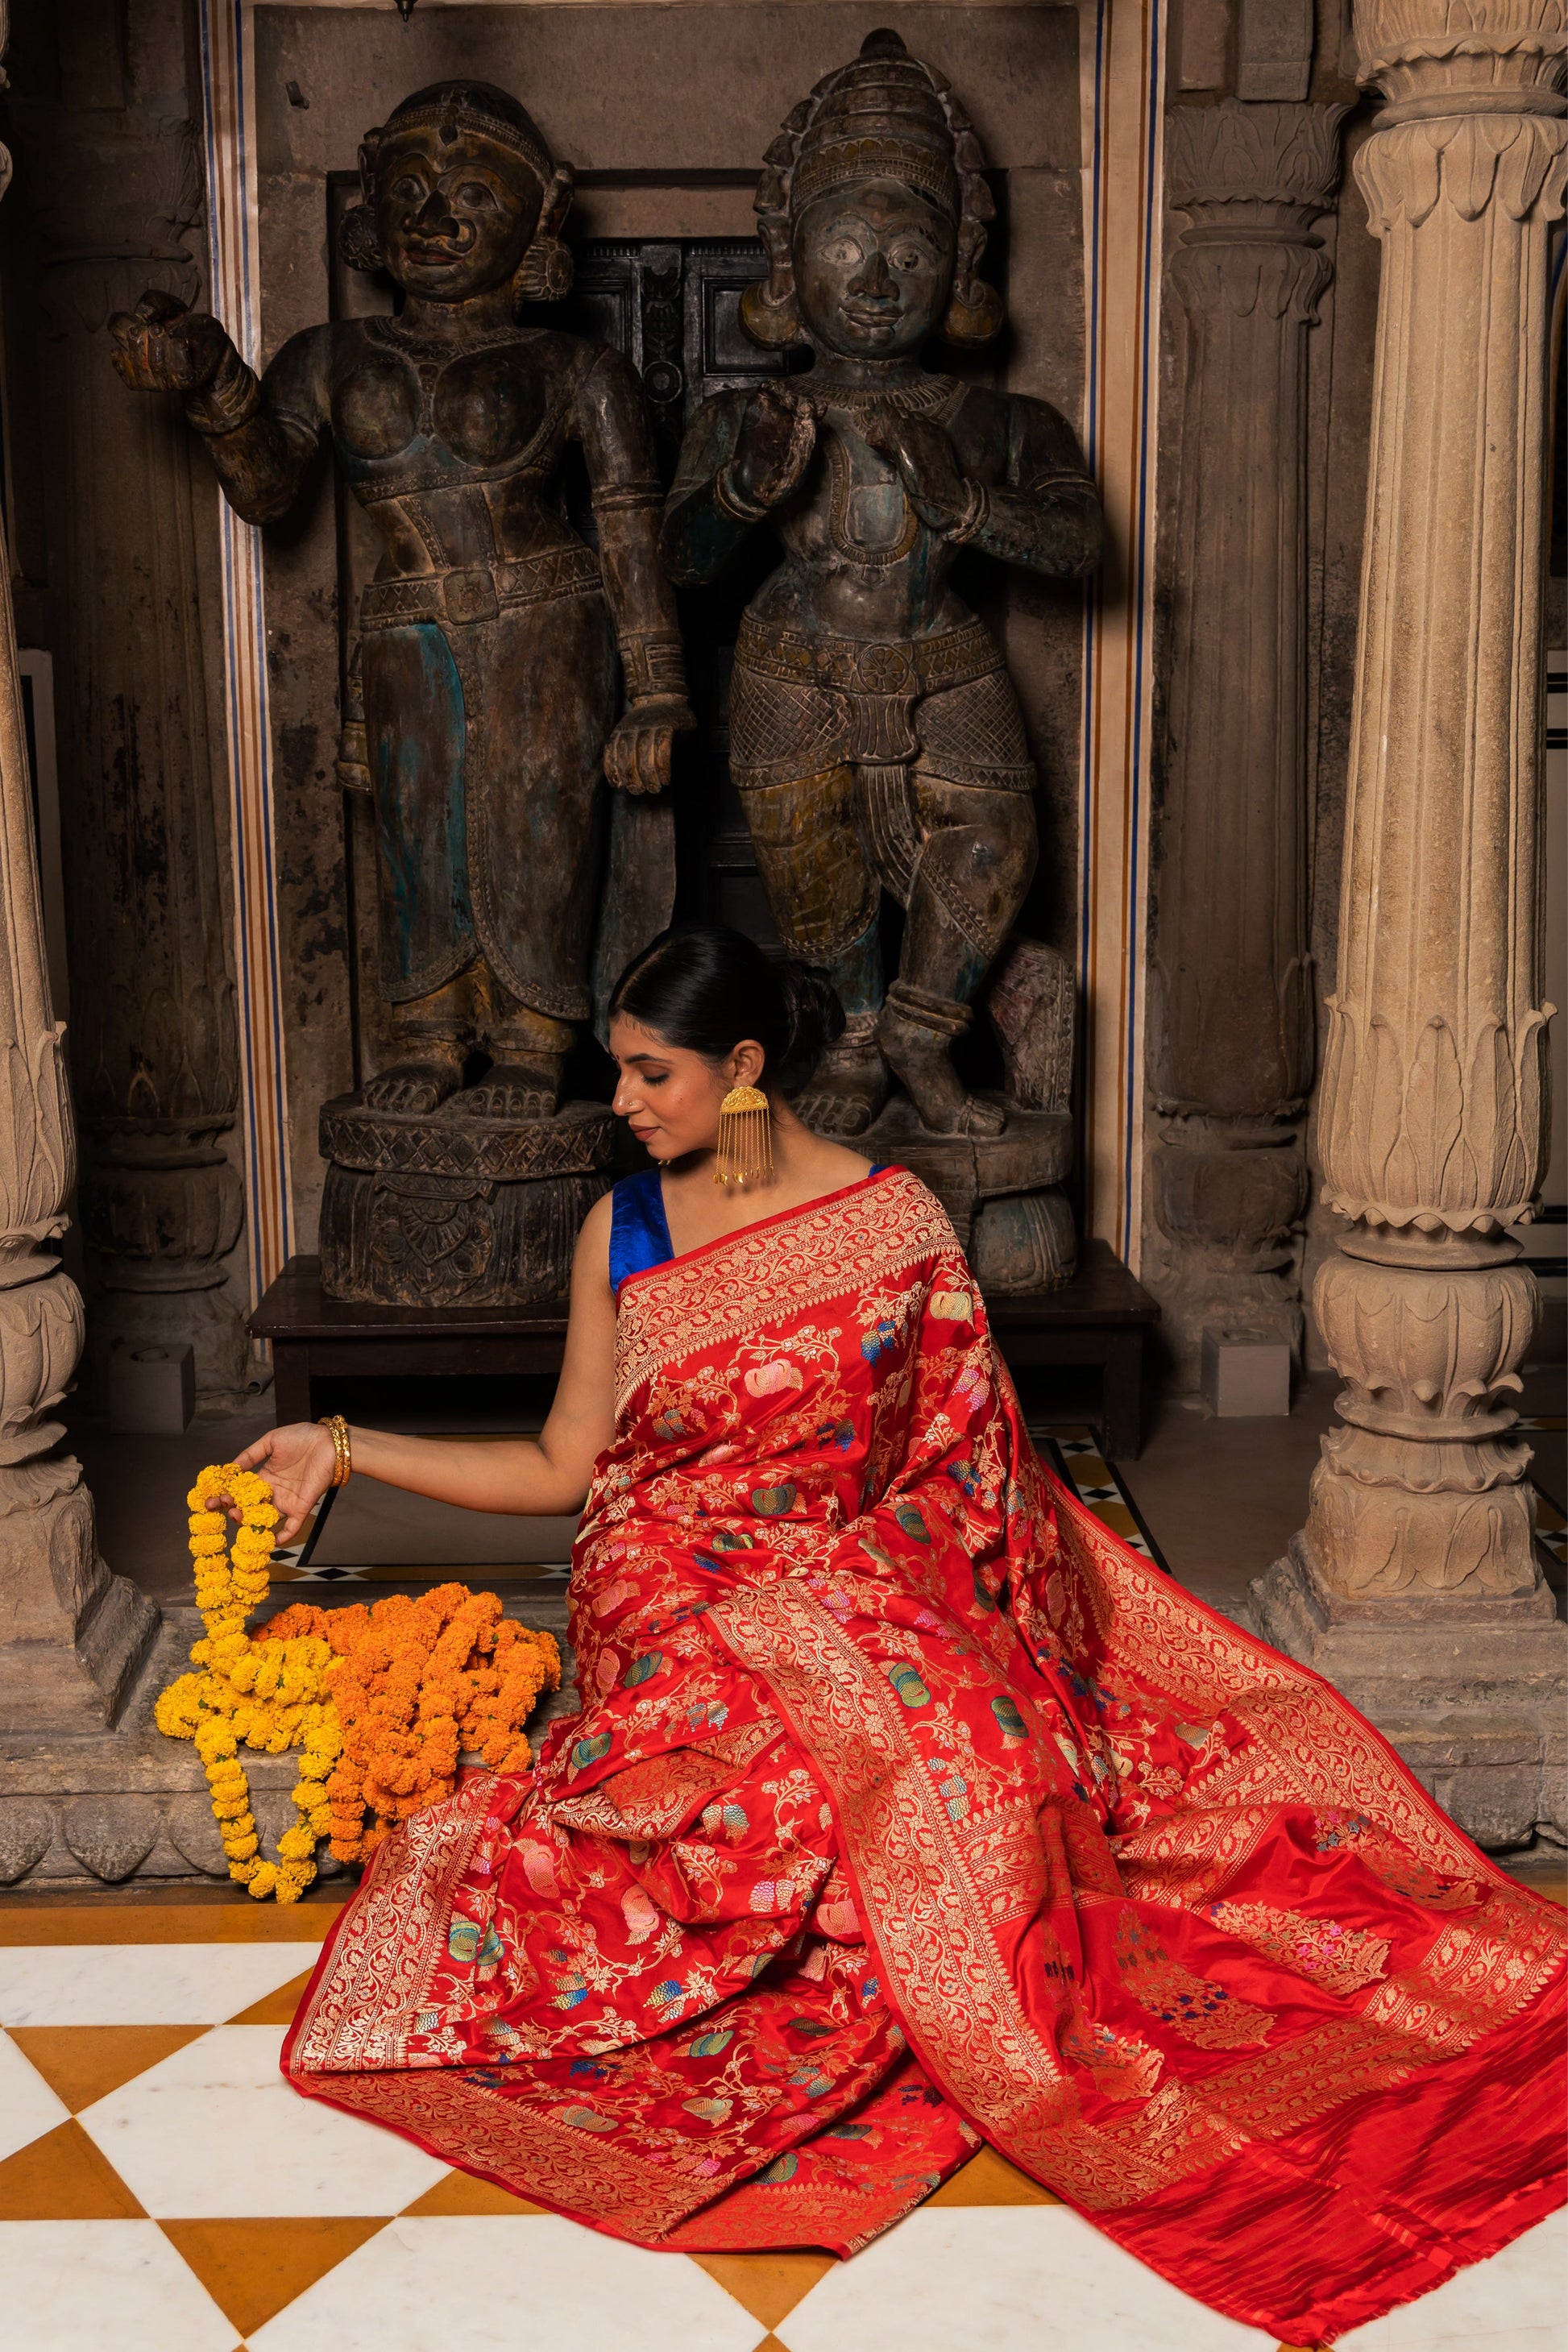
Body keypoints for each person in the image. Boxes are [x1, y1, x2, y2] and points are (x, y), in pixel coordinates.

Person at [250, 927, 1563, 2346]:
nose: (621, 1102)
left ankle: (968, 1972)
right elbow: (569, 1466)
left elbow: (963, 1466)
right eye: (617, 1070)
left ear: (743, 1069)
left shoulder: (895, 1222)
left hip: (865, 1571)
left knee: (977, 1750)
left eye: (651, 1073)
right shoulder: (622, 1228)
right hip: (670, 1587)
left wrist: (874, 1578)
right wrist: (343, 1443)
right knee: (774, 1783)